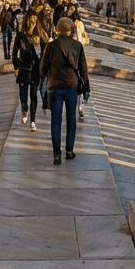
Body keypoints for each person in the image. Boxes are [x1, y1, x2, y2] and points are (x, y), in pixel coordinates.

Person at [41, 17, 89, 165]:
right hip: (71, 87)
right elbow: (83, 69)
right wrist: (86, 87)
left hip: (55, 87)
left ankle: (56, 153)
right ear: (72, 31)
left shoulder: (51, 46)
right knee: (71, 120)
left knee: (56, 120)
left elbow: (42, 68)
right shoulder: (77, 46)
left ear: (57, 30)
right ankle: (69, 151)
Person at [12, 12, 42, 132]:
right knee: (23, 95)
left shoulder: (40, 35)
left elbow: (44, 53)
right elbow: (15, 52)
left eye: (35, 20)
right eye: (31, 20)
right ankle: (24, 108)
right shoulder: (20, 36)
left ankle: (33, 121)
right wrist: (16, 66)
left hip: (35, 69)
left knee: (34, 95)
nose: (33, 22)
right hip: (24, 68)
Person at [71, 10, 91, 121]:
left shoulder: (74, 25)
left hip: (73, 53)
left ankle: (78, 107)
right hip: (79, 52)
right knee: (81, 82)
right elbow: (80, 38)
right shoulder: (81, 24)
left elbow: (78, 37)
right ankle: (81, 107)